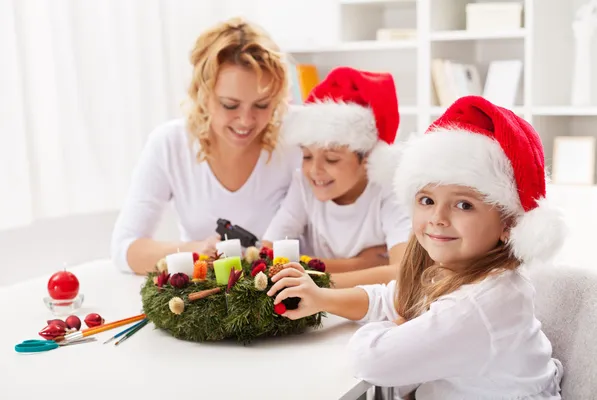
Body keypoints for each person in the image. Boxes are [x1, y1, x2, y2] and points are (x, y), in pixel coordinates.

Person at [268, 96, 567, 398]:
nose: (438, 218)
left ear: (508, 224)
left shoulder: (479, 305)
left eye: (464, 204)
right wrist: (322, 298)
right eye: (427, 200)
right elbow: (389, 298)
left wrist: (394, 328)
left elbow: (371, 361)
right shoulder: (458, 271)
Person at [110, 17, 299, 275]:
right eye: (230, 105)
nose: (246, 120)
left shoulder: (295, 141)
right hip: (205, 301)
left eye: (262, 105)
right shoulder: (170, 144)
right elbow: (124, 248)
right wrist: (198, 251)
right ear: (203, 94)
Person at [262, 66, 410, 281]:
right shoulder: (304, 183)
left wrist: (303, 270)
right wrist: (362, 265)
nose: (314, 170)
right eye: (307, 156)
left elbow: (403, 273)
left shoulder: (390, 188)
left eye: (331, 158)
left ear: (368, 155)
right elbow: (268, 259)